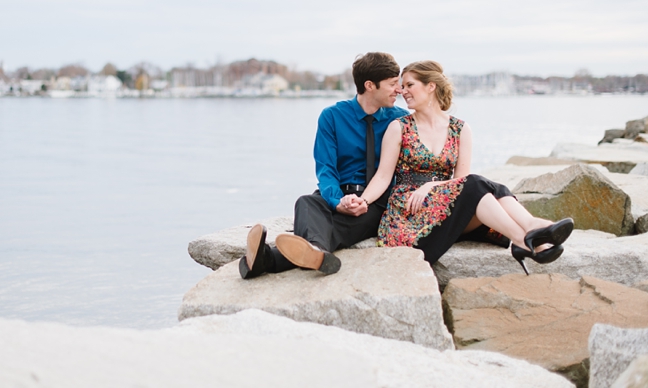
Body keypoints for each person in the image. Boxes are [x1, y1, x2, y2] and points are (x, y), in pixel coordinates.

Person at [342, 60, 574, 274]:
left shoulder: (460, 129)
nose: (403, 91)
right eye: (401, 86)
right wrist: (363, 201)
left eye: (409, 85)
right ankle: (528, 237)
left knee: (483, 186)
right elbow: (383, 177)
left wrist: (432, 186)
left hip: (445, 206)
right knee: (479, 183)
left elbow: (460, 181)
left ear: (431, 86)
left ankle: (529, 233)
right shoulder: (398, 127)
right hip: (410, 214)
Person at [239, 52, 409, 278]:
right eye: (392, 84)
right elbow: (326, 169)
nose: (399, 90)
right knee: (307, 203)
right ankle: (316, 253)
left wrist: (363, 201)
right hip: (338, 194)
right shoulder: (332, 116)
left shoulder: (400, 120)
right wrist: (337, 202)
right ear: (370, 85)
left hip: (374, 201)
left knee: (331, 228)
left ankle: (268, 259)